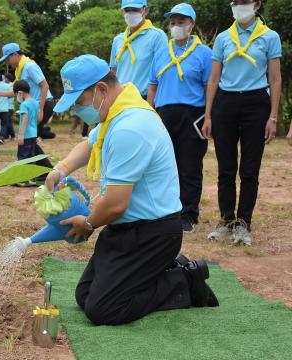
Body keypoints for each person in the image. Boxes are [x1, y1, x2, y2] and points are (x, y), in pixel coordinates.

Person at [47, 54, 218, 325]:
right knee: (85, 295)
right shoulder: (114, 113)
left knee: (103, 310)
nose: (78, 111)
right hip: (124, 229)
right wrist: (61, 169)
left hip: (152, 233)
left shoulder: (131, 126)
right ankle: (157, 271)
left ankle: (183, 280)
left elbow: (115, 204)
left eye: (79, 102)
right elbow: (90, 145)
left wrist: (88, 224)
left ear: (101, 90)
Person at [202, 0, 282, 245]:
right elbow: (214, 79)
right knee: (226, 168)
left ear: (256, 4)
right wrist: (208, 115)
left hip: (256, 104)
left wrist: (273, 116)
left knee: (249, 169)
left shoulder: (269, 37)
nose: (238, 6)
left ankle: (243, 223)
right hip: (225, 103)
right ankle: (226, 220)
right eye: (234, 2)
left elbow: (276, 79)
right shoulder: (224, 38)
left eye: (244, 1)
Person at [147, 3, 212, 233]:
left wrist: (209, 117)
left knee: (189, 166)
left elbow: (209, 88)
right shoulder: (162, 52)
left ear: (191, 24)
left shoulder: (204, 53)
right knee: (164, 165)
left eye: (181, 22)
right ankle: (167, 211)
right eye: (173, 22)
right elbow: (153, 87)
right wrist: (149, 113)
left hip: (193, 114)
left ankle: (188, 215)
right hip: (164, 114)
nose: (176, 26)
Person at [110, 0, 167, 98]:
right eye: (127, 10)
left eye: (135, 9)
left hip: (144, 98)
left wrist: (152, 104)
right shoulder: (118, 39)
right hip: (120, 99)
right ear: (122, 12)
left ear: (145, 10)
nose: (131, 13)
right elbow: (113, 72)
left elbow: (163, 73)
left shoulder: (157, 36)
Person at [0, 43, 56, 139]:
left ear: (15, 54)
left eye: (8, 59)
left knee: (29, 136)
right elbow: (16, 92)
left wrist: (40, 110)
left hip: (43, 104)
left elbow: (45, 86)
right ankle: (44, 134)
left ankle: (42, 135)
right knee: (30, 136)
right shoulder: (19, 70)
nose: (8, 62)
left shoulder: (29, 66)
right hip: (33, 106)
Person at [13, 80, 53, 186]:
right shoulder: (35, 102)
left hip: (25, 135)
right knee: (32, 157)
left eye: (17, 94)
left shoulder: (24, 104)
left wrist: (21, 134)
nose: (17, 97)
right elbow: (36, 119)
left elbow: (25, 119)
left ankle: (23, 179)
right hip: (33, 134)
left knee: (23, 157)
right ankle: (32, 178)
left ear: (20, 93)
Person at [4, 73, 16, 140]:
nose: (4, 79)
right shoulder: (5, 85)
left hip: (10, 106)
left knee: (8, 122)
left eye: (5, 78)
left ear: (8, 78)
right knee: (6, 121)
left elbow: (11, 95)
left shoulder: (11, 85)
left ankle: (12, 135)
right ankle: (6, 135)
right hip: (5, 106)